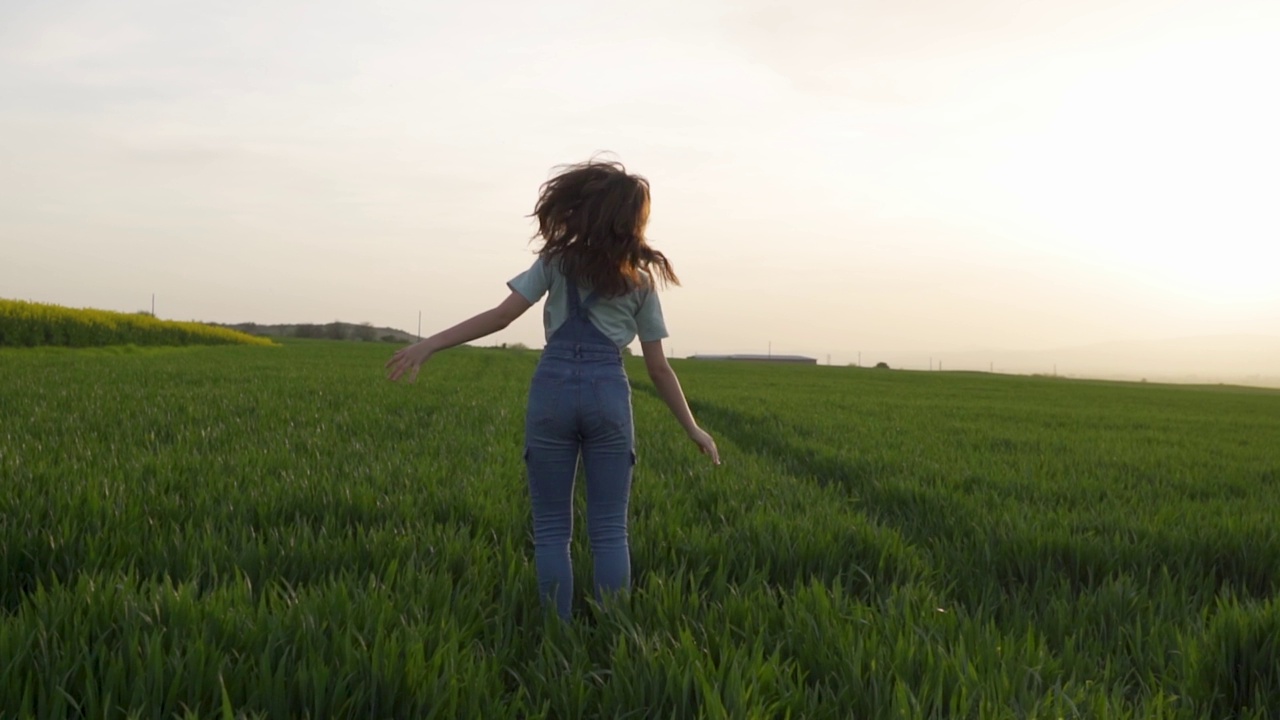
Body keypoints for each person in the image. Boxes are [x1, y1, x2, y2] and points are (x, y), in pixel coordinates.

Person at [386, 158, 719, 620]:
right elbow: (658, 368)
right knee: (608, 530)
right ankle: (611, 634)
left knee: (550, 529)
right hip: (607, 395)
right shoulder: (639, 283)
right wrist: (693, 428)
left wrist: (431, 344)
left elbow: (500, 317)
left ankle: (555, 634)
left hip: (552, 394)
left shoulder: (556, 263)